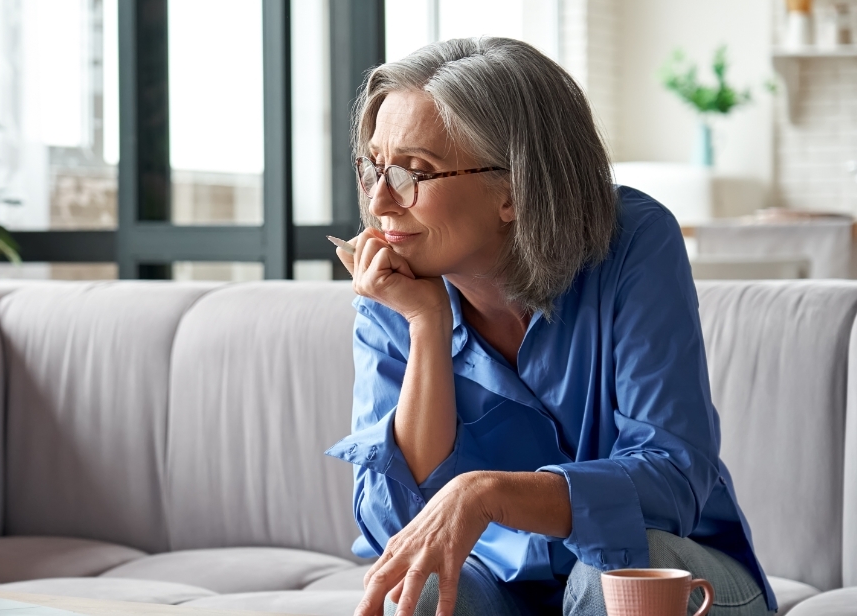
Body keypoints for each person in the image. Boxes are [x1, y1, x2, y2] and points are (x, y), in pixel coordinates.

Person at [325, 37, 775, 616]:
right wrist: (427, 326)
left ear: (513, 189)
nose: (381, 202)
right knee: (426, 591)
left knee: (610, 577)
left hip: (671, 565)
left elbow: (673, 480)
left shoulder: (634, 242)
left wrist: (489, 493)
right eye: (374, 167)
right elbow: (398, 525)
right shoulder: (394, 286)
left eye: (415, 171)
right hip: (502, 584)